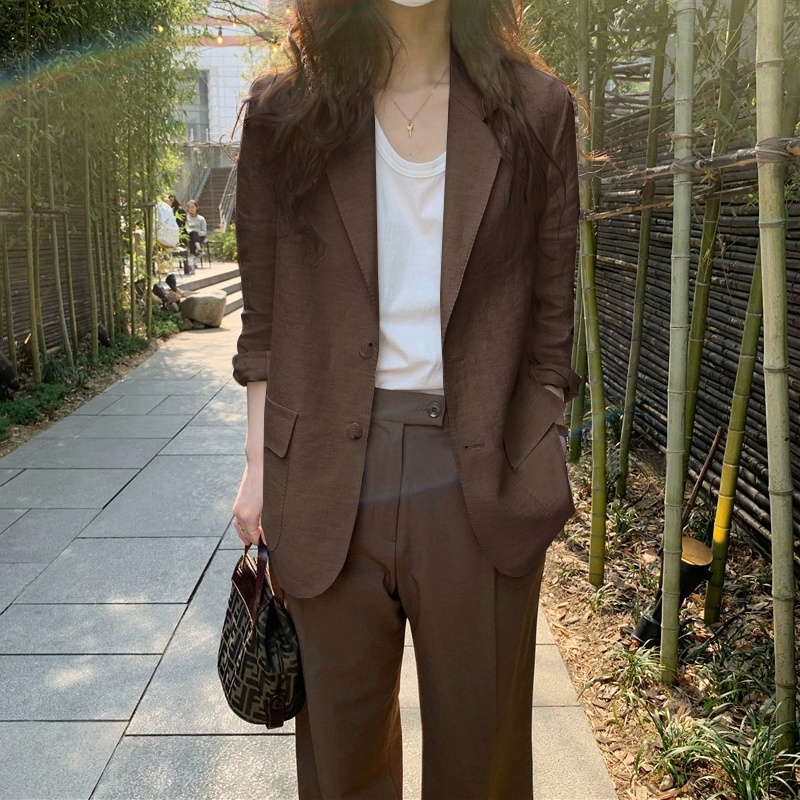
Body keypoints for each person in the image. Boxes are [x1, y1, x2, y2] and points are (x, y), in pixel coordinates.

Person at [230, 0, 581, 797]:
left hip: (479, 473)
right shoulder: (287, 115)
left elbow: (551, 322)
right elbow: (266, 322)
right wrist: (258, 466)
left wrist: (534, 447)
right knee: (342, 768)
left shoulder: (537, 111)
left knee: (483, 770)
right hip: (327, 475)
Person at [184, 199, 207, 270]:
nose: (191, 209)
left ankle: (192, 260)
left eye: (193, 207)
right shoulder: (186, 219)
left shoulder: (201, 219)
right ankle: (199, 250)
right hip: (189, 236)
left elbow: (204, 231)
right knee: (192, 235)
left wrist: (200, 233)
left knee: (194, 234)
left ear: (196, 207)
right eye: (189, 207)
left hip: (199, 236)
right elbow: (185, 228)